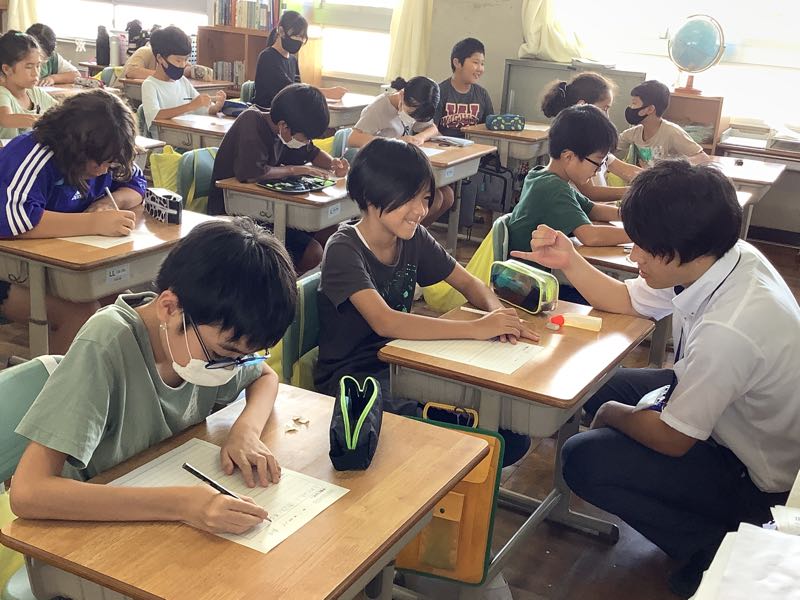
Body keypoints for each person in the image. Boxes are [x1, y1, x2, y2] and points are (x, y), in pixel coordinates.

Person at [511, 159, 800, 598]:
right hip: (725, 413)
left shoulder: (731, 328)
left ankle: (714, 548)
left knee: (584, 458)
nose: (633, 256)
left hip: (757, 478)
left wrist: (615, 414)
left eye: (643, 247)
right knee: (597, 382)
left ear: (679, 249)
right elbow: (626, 298)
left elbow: (674, 438)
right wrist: (569, 261)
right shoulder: (722, 256)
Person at [10, 217, 297, 535]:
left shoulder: (203, 338)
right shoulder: (107, 343)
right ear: (170, 308)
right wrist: (180, 504)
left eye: (242, 358)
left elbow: (265, 376)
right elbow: (28, 492)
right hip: (83, 524)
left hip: (153, 507)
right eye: (221, 355)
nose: (230, 368)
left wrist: (245, 431)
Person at [0, 89, 146, 352]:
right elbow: (13, 220)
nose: (104, 170)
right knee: (82, 313)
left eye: (110, 163)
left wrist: (107, 203)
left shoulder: (107, 154)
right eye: (98, 163)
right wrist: (93, 224)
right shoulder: (33, 154)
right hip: (10, 274)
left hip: (61, 269)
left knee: (117, 302)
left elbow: (136, 185)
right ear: (74, 148)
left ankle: (101, 371)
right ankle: (55, 377)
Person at [209, 84, 348, 274]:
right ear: (284, 126)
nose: (307, 142)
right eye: (306, 137)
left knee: (330, 230)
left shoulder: (286, 133)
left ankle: (309, 283)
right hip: (237, 213)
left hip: (267, 208)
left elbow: (312, 152)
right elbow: (251, 173)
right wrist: (294, 170)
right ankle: (284, 285)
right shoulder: (252, 122)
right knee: (313, 253)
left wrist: (334, 164)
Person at [507, 104, 629, 303]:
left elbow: (592, 210)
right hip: (530, 289)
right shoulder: (553, 187)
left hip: (530, 280)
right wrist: (640, 234)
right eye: (597, 162)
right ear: (569, 156)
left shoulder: (541, 175)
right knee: (612, 299)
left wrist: (633, 214)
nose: (598, 171)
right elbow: (590, 236)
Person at [349, 76, 452, 226]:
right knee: (436, 199)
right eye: (411, 114)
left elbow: (433, 129)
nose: (413, 119)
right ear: (402, 94)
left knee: (447, 196)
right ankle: (401, 234)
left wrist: (420, 138)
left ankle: (412, 234)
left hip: (401, 168)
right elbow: (353, 138)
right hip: (380, 169)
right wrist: (394, 142)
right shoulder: (379, 107)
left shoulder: (419, 106)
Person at [541, 72, 642, 202]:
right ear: (582, 106)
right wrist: (637, 191)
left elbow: (624, 169)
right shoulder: (573, 143)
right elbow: (590, 192)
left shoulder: (593, 140)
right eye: (604, 108)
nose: (607, 116)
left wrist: (653, 179)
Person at [140, 26, 225, 135]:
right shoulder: (150, 85)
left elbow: (202, 107)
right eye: (178, 60)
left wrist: (215, 107)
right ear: (160, 58)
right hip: (166, 141)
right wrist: (190, 106)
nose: (183, 65)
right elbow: (155, 115)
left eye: (186, 60)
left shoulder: (182, 81)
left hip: (188, 136)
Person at [253, 10, 346, 109]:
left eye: (302, 37)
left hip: (286, 112)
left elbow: (299, 89)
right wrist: (327, 93)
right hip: (266, 113)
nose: (299, 41)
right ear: (281, 31)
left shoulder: (292, 60)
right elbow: (290, 90)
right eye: (297, 36)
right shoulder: (267, 57)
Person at [618, 80, 709, 166]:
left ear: (650, 109)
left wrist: (672, 167)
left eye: (634, 103)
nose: (630, 107)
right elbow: (613, 147)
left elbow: (703, 158)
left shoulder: (672, 132)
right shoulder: (634, 133)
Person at [0, 31, 58, 139]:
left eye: (38, 66)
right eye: (29, 67)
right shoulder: (2, 93)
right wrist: (43, 121)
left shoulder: (35, 92)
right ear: (7, 69)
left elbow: (60, 111)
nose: (35, 73)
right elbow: (5, 119)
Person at [434, 37, 494, 138]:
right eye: (475, 62)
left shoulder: (482, 94)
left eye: (482, 64)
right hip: (443, 145)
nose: (480, 69)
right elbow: (430, 130)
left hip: (474, 146)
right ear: (457, 63)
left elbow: (489, 131)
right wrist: (451, 145)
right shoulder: (439, 93)